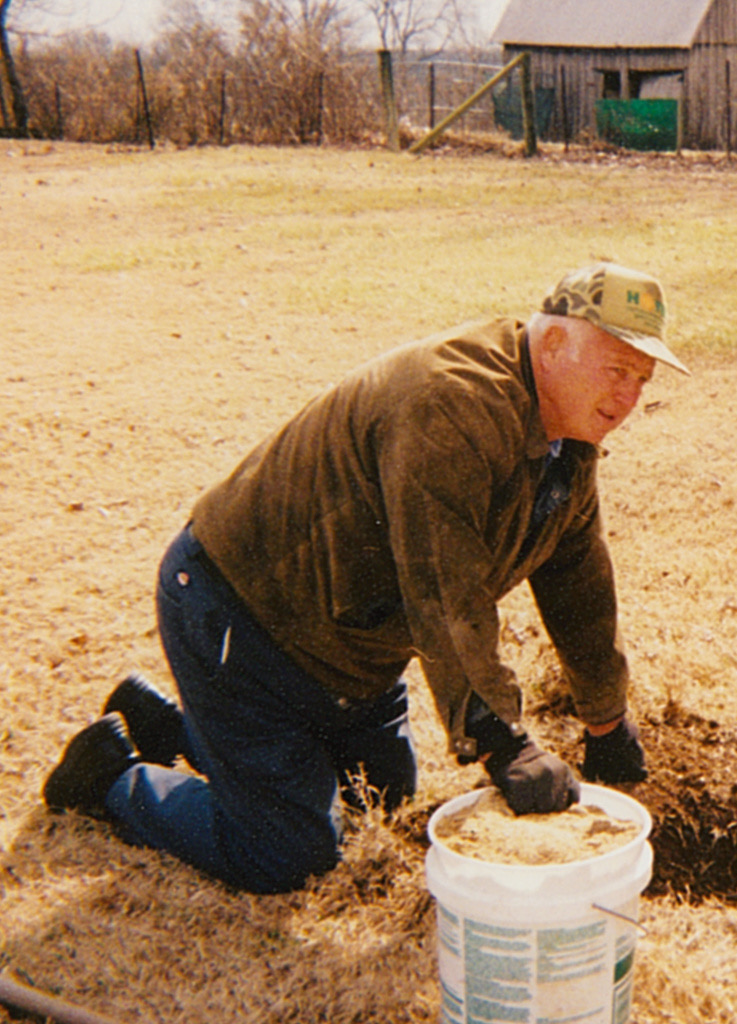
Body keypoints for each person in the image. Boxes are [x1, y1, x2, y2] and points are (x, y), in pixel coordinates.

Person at [43, 262, 689, 895]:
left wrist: (607, 720)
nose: (630, 397)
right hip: (240, 619)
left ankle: (166, 725)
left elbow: (578, 578)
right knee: (291, 852)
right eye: (617, 370)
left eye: (642, 377)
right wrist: (499, 738)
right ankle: (108, 773)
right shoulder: (452, 404)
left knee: (378, 800)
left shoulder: (564, 442)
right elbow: (443, 588)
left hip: (349, 652)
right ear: (553, 343)